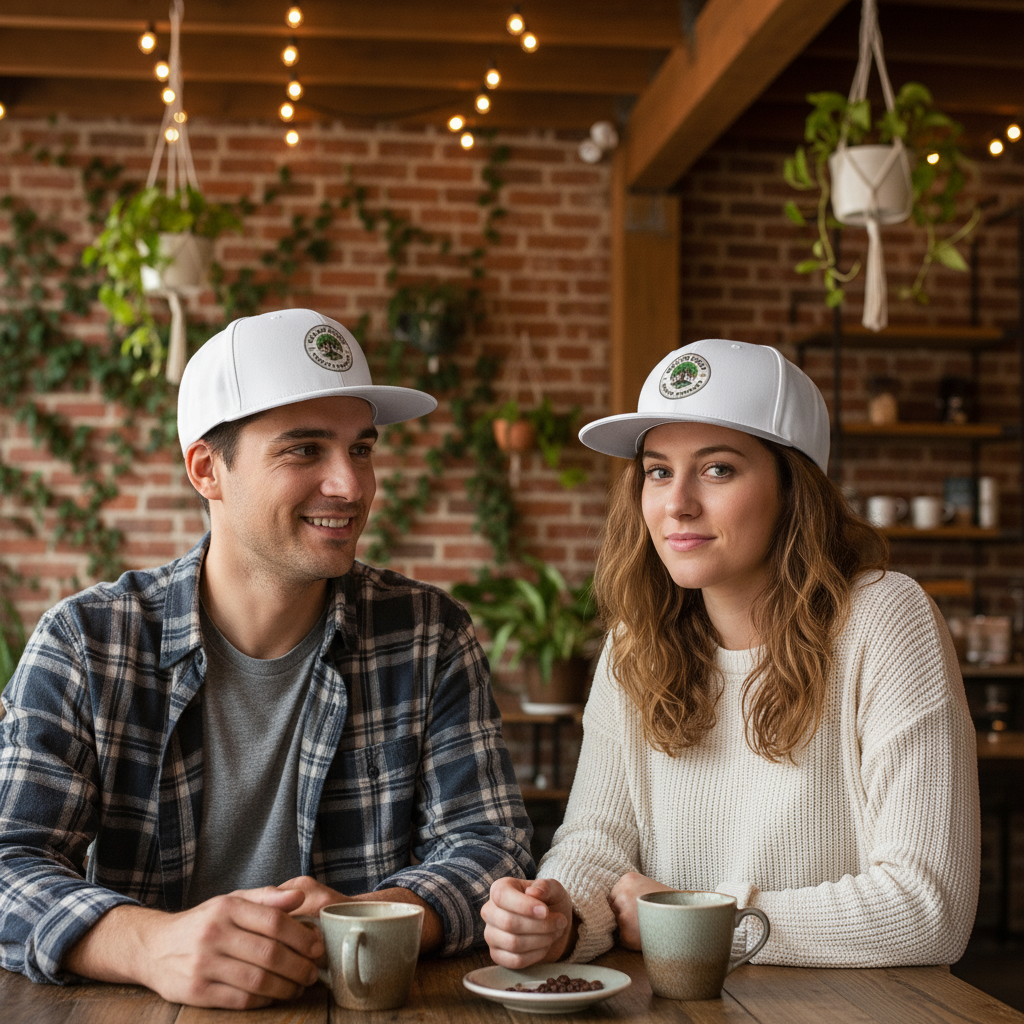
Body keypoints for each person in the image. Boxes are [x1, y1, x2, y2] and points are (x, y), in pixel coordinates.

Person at [0, 308, 534, 1008]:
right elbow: (10, 860)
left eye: (362, 449)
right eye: (304, 450)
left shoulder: (428, 635)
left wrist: (368, 915)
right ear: (206, 469)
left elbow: (491, 848)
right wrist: (150, 944)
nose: (351, 484)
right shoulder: (87, 644)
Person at [482, 339, 979, 969]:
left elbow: (927, 911)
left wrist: (694, 916)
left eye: (718, 469)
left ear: (794, 489)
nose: (677, 502)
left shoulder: (885, 620)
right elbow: (597, 839)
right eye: (658, 471)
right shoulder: (636, 639)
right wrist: (560, 914)